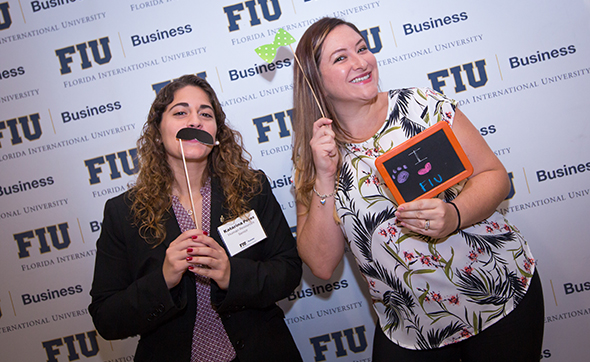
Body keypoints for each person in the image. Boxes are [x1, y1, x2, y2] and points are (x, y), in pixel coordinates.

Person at [292, 17, 544, 362]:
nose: (361, 61)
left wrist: (454, 215)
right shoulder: (314, 159)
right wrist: (324, 175)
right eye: (341, 57)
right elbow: (321, 265)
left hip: (499, 294)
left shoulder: (423, 107)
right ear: (315, 79)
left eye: (362, 48)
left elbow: (495, 176)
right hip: (412, 329)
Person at [89, 75, 303, 362]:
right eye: (180, 112)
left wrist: (230, 275)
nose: (195, 121)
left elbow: (288, 269)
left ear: (216, 133)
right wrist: (163, 279)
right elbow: (106, 317)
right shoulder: (123, 213)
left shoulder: (252, 189)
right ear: (157, 132)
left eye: (205, 114)